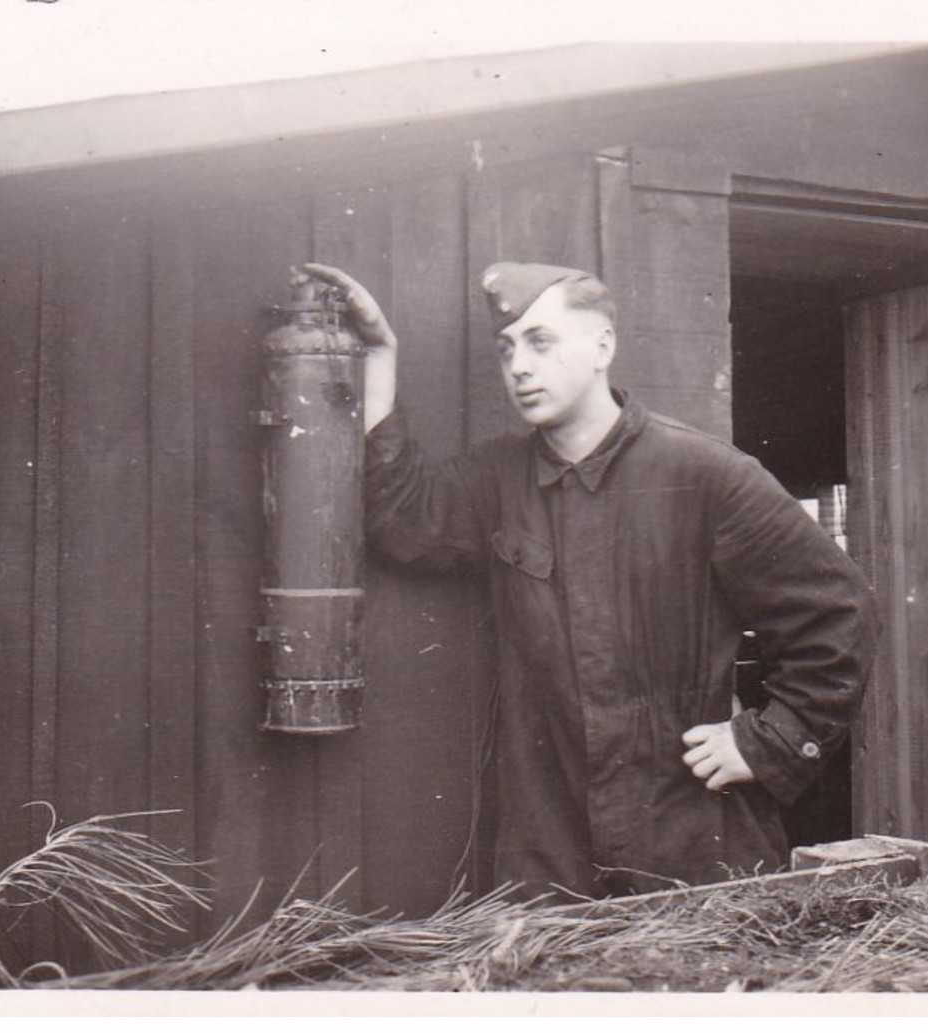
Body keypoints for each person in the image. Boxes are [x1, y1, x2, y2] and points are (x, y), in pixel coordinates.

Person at [301, 260, 878, 899]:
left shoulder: (707, 474)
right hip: (552, 850)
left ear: (602, 345)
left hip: (695, 840)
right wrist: (380, 355)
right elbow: (404, 518)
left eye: (540, 341)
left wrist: (770, 742)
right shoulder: (499, 480)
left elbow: (839, 611)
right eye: (507, 348)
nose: (519, 365)